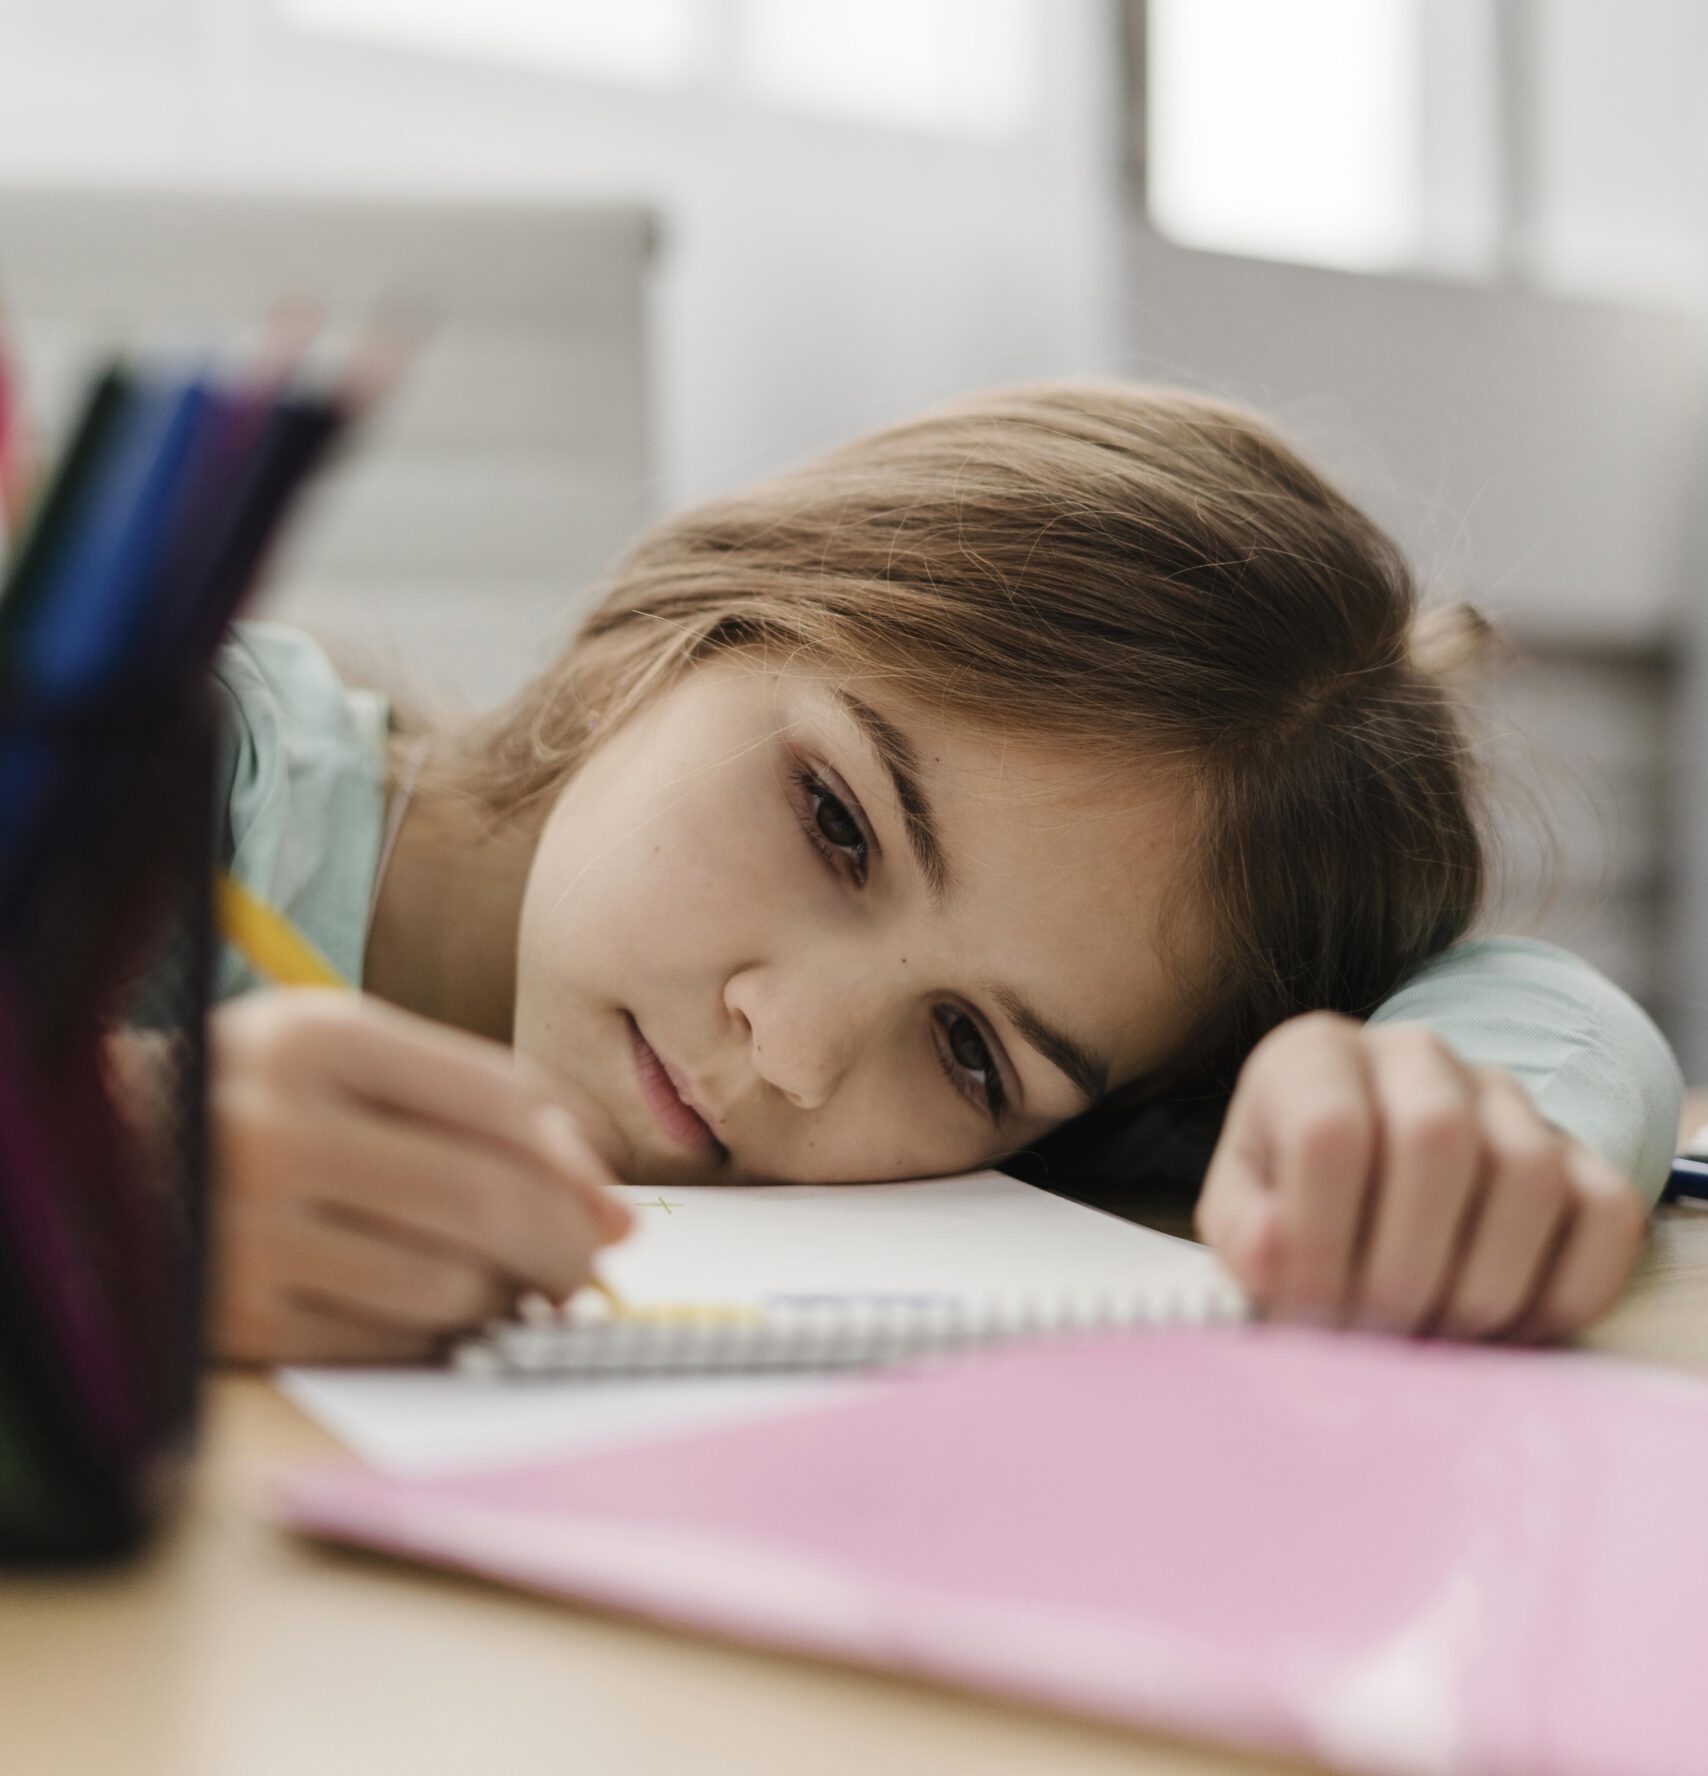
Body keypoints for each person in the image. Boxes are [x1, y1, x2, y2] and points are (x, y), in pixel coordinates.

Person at [209, 382, 1680, 1363]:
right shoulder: (148, 777)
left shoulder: (1019, 1132)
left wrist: (1454, 1126)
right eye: (838, 826)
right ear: (666, 642)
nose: (788, 1051)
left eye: (972, 1053)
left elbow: (1524, 1002)